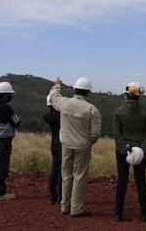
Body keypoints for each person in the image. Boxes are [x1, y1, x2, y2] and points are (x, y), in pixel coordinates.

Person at [48, 77, 101, 218]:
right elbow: (95, 133)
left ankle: (64, 205)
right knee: (79, 176)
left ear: (75, 89)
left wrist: (57, 85)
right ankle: (76, 208)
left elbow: (53, 98)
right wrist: (89, 142)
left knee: (66, 175)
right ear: (88, 92)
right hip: (82, 146)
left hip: (65, 144)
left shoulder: (64, 103)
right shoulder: (92, 110)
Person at [113, 81, 146, 222]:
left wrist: (125, 147)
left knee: (122, 181)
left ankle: (118, 213)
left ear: (126, 95)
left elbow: (117, 135)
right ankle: (144, 214)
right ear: (138, 96)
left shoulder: (119, 112)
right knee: (141, 181)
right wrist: (142, 149)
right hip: (140, 152)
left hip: (123, 151)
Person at [43, 94, 62, 204]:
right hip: (62, 144)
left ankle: (52, 196)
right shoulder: (61, 115)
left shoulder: (48, 116)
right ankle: (60, 197)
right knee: (61, 171)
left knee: (54, 170)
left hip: (53, 144)